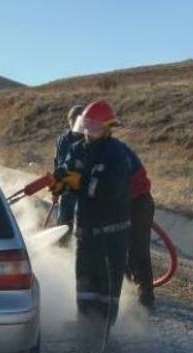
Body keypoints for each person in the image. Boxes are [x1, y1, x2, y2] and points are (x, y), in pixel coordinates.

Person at [52, 100, 132, 327]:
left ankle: (104, 330)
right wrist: (59, 182)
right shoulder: (78, 148)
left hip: (111, 235)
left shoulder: (116, 155)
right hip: (85, 232)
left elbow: (106, 190)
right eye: (86, 125)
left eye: (93, 127)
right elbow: (66, 171)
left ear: (107, 128)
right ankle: (84, 324)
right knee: (85, 284)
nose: (88, 132)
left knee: (106, 288)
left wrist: (78, 182)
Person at [125, 147, 156, 307]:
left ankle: (145, 296)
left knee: (137, 249)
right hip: (118, 202)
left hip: (138, 202)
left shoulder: (116, 152)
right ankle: (124, 291)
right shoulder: (84, 152)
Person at [52, 105, 85, 237]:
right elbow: (57, 164)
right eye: (73, 119)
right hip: (65, 192)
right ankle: (60, 252)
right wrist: (55, 190)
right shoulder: (62, 139)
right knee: (62, 227)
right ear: (69, 120)